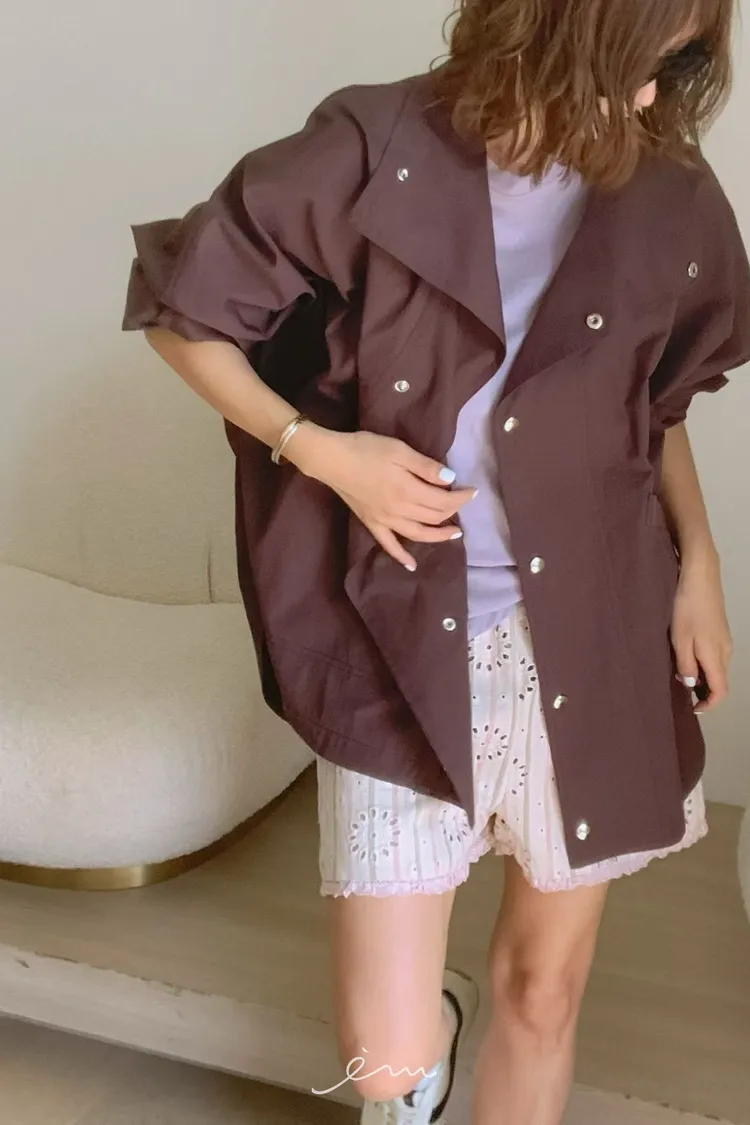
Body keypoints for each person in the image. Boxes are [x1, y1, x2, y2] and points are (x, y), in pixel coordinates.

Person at [123, 1, 750, 1122]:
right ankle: (438, 1037)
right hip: (403, 631)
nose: (653, 97)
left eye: (677, 67)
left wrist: (699, 561)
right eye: (636, 63)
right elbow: (184, 313)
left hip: (596, 628)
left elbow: (650, 410)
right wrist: (325, 453)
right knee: (384, 1062)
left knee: (544, 990)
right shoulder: (375, 147)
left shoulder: (668, 190)